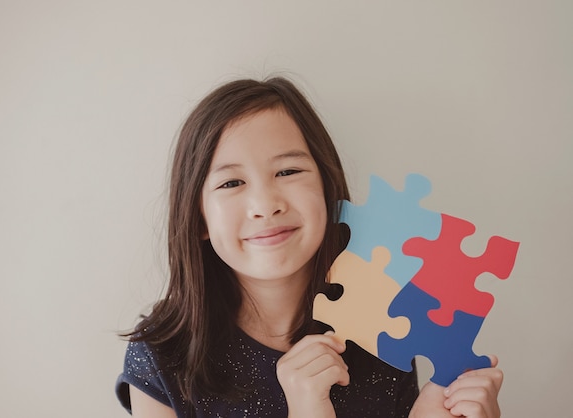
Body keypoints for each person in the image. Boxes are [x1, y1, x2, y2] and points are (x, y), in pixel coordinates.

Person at [115, 76, 503, 418]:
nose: (266, 205)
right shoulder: (163, 356)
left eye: (288, 172)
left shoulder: (389, 322)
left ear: (328, 191)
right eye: (231, 183)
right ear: (198, 218)